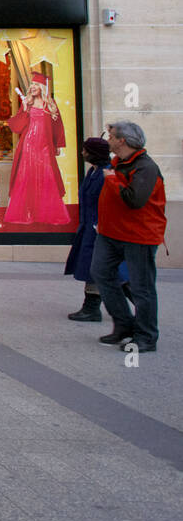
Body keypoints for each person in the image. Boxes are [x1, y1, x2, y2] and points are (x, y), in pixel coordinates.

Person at [92, 121, 168, 353]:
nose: (108, 139)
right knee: (101, 273)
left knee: (141, 287)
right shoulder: (116, 163)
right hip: (109, 233)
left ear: (122, 140)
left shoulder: (146, 167)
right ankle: (124, 325)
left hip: (138, 236)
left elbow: (134, 200)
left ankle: (146, 336)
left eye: (111, 136)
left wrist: (112, 179)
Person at [65, 137, 132, 322]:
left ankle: (138, 304)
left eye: (85, 150)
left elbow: (115, 202)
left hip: (100, 228)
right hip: (89, 227)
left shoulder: (107, 173)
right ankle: (91, 307)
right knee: (91, 267)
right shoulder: (93, 172)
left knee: (108, 269)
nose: (82, 153)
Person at [4, 73, 70, 225]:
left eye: (35, 85)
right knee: (27, 177)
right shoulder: (27, 103)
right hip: (28, 145)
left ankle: (46, 214)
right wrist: (25, 109)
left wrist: (58, 144)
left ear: (41, 87)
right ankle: (27, 214)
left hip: (45, 146)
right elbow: (18, 126)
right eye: (31, 85)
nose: (32, 88)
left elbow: (58, 126)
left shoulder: (50, 105)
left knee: (48, 178)